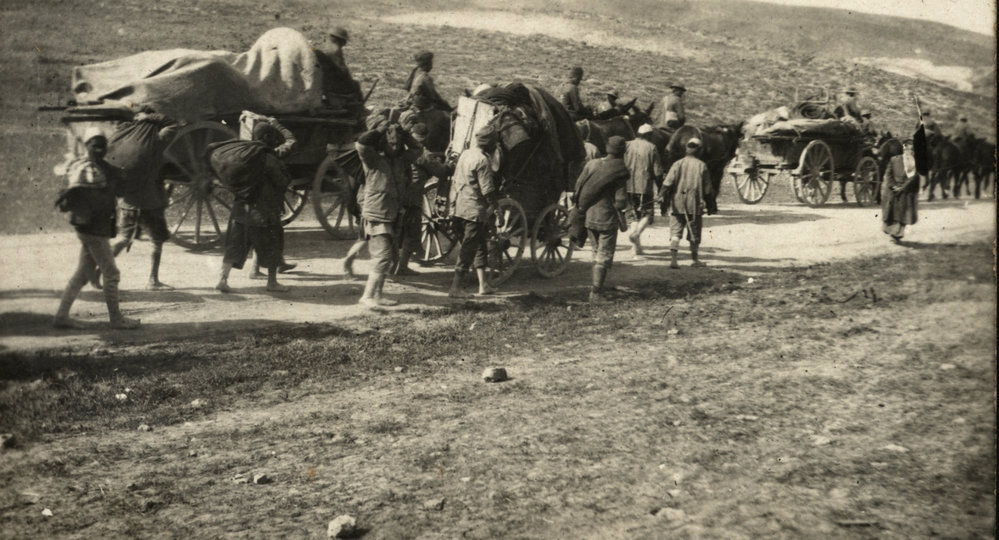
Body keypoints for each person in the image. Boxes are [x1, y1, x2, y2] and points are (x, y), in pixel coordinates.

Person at [53, 128, 140, 330]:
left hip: (89, 228)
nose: (99, 149)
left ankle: (61, 316)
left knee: (82, 274)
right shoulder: (88, 170)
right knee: (112, 273)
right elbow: (103, 191)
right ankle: (116, 319)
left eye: (102, 145)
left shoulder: (94, 166)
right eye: (95, 145)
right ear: (87, 146)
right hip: (93, 229)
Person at [104, 107, 178, 291]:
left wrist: (138, 119)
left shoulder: (124, 135)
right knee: (156, 241)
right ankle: (153, 281)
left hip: (128, 201)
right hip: (151, 202)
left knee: (123, 239)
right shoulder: (158, 141)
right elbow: (173, 123)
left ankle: (100, 270)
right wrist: (151, 117)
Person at [214, 123, 292, 294]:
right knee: (273, 245)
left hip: (241, 210)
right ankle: (272, 282)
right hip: (264, 210)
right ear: (267, 138)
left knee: (234, 246)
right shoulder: (268, 158)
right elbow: (282, 182)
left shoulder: (244, 155)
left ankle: (222, 279)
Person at [355, 122, 422, 307]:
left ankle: (377, 295)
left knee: (389, 258)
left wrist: (405, 134)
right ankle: (367, 296)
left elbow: (418, 149)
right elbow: (361, 144)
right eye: (391, 143)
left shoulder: (401, 161)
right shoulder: (373, 160)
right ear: (383, 144)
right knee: (382, 257)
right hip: (377, 215)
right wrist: (379, 131)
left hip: (393, 215)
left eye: (398, 144)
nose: (394, 147)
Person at [238, 111, 297, 278]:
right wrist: (276, 124)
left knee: (258, 232)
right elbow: (291, 141)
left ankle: (258, 268)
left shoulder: (247, 154)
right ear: (268, 137)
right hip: (270, 203)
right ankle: (271, 278)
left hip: (252, 202)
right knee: (272, 235)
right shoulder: (273, 154)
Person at [572, 135, 629, 303]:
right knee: (603, 255)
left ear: (607, 148)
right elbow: (620, 201)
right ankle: (596, 293)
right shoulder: (618, 169)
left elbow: (578, 187)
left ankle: (596, 288)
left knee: (596, 252)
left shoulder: (592, 164)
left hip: (589, 216)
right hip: (607, 219)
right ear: (622, 152)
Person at [447, 125, 501, 298]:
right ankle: (455, 288)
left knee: (479, 245)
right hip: (474, 211)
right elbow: (487, 190)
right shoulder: (482, 161)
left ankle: (483, 285)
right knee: (468, 250)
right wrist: (496, 209)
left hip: (459, 206)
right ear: (490, 144)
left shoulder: (466, 154)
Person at [395, 123, 452, 275]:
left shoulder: (401, 149)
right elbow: (441, 171)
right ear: (425, 138)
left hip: (396, 195)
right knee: (412, 232)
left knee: (396, 230)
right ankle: (402, 267)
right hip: (412, 197)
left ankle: (394, 263)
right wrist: (451, 165)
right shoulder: (422, 154)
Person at [657, 137, 712, 268]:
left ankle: (673, 260)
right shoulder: (702, 166)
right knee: (694, 234)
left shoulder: (677, 164)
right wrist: (710, 205)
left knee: (675, 233)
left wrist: (661, 195)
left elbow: (667, 183)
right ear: (699, 150)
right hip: (694, 205)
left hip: (677, 204)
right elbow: (708, 189)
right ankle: (694, 260)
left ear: (686, 149)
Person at [623, 123, 663, 257]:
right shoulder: (651, 147)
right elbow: (658, 172)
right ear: (648, 135)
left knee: (632, 216)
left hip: (627, 186)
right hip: (644, 187)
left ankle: (636, 248)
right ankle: (637, 233)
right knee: (647, 214)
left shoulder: (627, 145)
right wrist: (660, 188)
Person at [880, 137, 920, 243]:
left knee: (902, 214)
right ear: (903, 149)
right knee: (891, 212)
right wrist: (893, 186)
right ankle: (892, 231)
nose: (909, 151)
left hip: (905, 190)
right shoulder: (894, 160)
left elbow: (912, 178)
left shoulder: (914, 163)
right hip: (893, 189)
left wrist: (902, 188)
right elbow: (888, 174)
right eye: (907, 149)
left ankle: (897, 234)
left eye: (911, 150)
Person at [314, 27, 363, 105]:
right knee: (356, 85)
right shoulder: (335, 51)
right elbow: (341, 72)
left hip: (326, 84)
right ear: (341, 40)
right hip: (334, 86)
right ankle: (358, 107)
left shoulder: (326, 49)